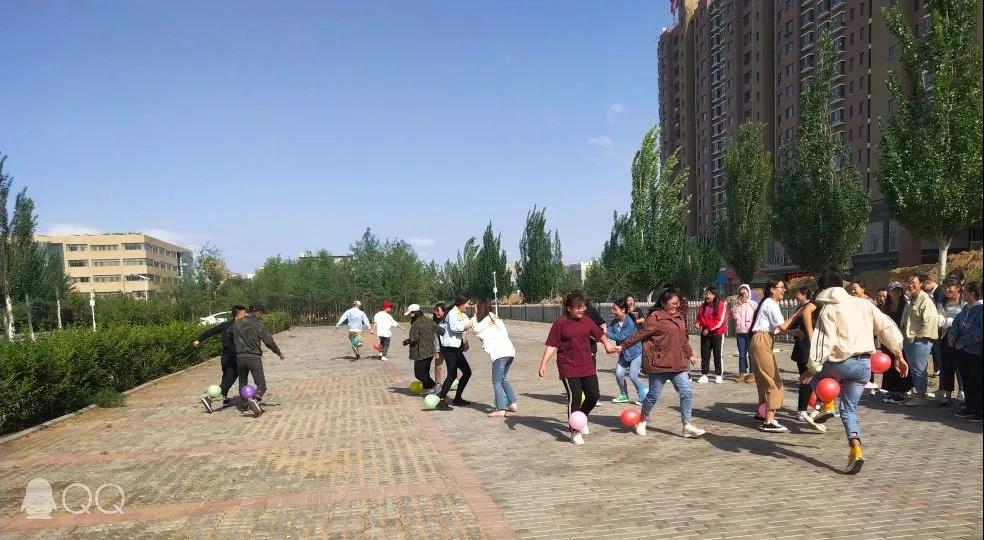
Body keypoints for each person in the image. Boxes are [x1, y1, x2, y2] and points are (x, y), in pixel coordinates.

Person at [804, 269, 908, 474]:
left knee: (813, 375)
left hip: (839, 364)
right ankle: (856, 449)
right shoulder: (864, 304)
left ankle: (827, 403)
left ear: (821, 290)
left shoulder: (828, 309)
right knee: (849, 410)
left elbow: (823, 343)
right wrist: (898, 354)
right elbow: (886, 327)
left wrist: (811, 369)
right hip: (864, 366)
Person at [618, 288, 706, 439]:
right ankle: (642, 421)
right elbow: (640, 335)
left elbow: (683, 339)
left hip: (678, 363)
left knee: (686, 392)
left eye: (678, 303)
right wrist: (623, 346)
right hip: (659, 364)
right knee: (653, 395)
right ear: (664, 302)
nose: (676, 306)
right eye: (673, 303)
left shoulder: (679, 317)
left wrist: (690, 354)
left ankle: (687, 425)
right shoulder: (655, 318)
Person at [538, 290, 618, 445]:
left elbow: (599, 334)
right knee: (575, 396)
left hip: (586, 364)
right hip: (568, 366)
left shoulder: (587, 320)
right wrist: (543, 364)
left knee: (593, 396)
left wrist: (608, 344)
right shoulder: (560, 324)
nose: (582, 310)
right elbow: (552, 345)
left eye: (584, 307)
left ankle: (581, 418)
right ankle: (574, 431)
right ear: (569, 308)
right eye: (579, 307)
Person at [748, 278, 798, 432]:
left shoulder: (767, 303)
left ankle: (761, 414)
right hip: (762, 340)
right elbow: (782, 326)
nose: (784, 290)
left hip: (761, 339)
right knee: (774, 381)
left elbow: (774, 330)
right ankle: (769, 421)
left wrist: (792, 331)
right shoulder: (771, 303)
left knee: (764, 380)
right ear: (772, 289)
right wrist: (798, 313)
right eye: (781, 287)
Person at [777, 288, 827, 432]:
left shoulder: (825, 309)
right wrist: (796, 331)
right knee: (806, 380)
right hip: (805, 348)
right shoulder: (804, 309)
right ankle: (802, 410)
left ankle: (820, 407)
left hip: (820, 349)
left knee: (820, 379)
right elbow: (788, 326)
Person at [233, 304, 286, 417]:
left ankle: (244, 406)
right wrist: (278, 352)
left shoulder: (237, 323)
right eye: (262, 313)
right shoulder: (258, 324)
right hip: (253, 358)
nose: (262, 315)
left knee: (242, 382)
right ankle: (255, 399)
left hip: (240, 358)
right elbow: (268, 341)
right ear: (258, 312)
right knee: (261, 384)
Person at [195, 305, 247, 413]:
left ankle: (225, 399)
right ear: (238, 315)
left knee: (226, 377)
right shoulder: (239, 326)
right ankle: (209, 398)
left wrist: (199, 340)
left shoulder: (225, 325)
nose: (245, 315)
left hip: (225, 357)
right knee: (229, 380)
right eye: (244, 313)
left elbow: (212, 331)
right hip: (234, 357)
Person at [471, 300, 518, 417]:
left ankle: (500, 409)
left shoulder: (485, 321)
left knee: (496, 381)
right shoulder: (496, 319)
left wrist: (474, 315)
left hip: (499, 354)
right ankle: (512, 403)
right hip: (510, 352)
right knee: (502, 378)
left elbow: (474, 329)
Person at [901, 273, 940, 406]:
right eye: (908, 282)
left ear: (921, 284)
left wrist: (920, 335)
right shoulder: (911, 298)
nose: (910, 285)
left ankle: (921, 396)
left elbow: (930, 319)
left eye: (914, 283)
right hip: (909, 339)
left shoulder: (925, 299)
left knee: (919, 368)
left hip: (920, 340)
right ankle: (919, 393)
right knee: (914, 367)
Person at [949, 282, 982, 421]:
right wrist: (952, 335)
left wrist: (963, 342)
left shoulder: (980, 309)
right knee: (967, 380)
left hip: (976, 352)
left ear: (972, 293)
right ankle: (970, 406)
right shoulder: (966, 308)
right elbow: (957, 322)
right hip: (963, 352)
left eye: (965, 292)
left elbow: (979, 332)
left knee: (976, 381)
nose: (962, 294)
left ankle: (978, 409)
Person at [436, 295, 474, 410]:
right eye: (467, 303)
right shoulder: (452, 313)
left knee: (467, 372)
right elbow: (454, 328)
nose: (468, 305)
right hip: (448, 348)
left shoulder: (461, 313)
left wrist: (473, 320)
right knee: (452, 375)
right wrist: (466, 327)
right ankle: (441, 401)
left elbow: (470, 323)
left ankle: (457, 398)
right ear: (462, 303)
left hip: (456, 348)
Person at [606, 299, 647, 404]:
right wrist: (604, 332)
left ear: (623, 310)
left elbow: (621, 336)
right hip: (624, 354)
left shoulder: (630, 322)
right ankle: (624, 395)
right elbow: (609, 330)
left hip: (635, 353)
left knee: (633, 376)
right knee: (619, 374)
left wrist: (606, 333)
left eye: (615, 309)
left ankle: (643, 396)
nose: (613, 311)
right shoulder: (615, 322)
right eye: (612, 309)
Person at [880, 282, 913, 403]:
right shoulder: (885, 306)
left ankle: (902, 389)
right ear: (889, 292)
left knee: (901, 361)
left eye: (899, 290)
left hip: (901, 337)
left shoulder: (906, 304)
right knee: (889, 363)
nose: (897, 292)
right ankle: (891, 389)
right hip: (888, 338)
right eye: (894, 290)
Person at [936, 277, 966, 406]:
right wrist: (941, 320)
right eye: (944, 287)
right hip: (945, 336)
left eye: (949, 287)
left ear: (958, 288)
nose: (946, 290)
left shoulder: (965, 302)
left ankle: (962, 391)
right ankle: (947, 395)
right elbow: (939, 316)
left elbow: (966, 319)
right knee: (947, 366)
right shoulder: (942, 301)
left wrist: (951, 322)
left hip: (962, 338)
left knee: (961, 366)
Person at [403, 303, 445, 393]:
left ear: (414, 313)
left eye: (410, 314)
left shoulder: (416, 324)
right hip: (430, 351)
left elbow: (413, 338)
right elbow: (442, 331)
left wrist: (406, 342)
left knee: (419, 374)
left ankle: (435, 387)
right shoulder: (429, 321)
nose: (410, 316)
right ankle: (427, 389)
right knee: (425, 372)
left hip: (420, 352)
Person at [695, 286, 728, 384]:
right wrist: (698, 324)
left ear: (714, 295)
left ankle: (718, 375)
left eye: (709, 293)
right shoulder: (703, 306)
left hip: (717, 333)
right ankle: (704, 374)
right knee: (704, 354)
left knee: (717, 354)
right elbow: (699, 318)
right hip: (705, 333)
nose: (706, 296)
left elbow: (720, 320)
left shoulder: (721, 305)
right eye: (706, 294)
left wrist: (708, 329)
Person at [731, 284, 758, 383]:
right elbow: (733, 316)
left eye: (745, 293)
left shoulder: (753, 304)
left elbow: (757, 316)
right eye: (741, 293)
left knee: (751, 354)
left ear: (749, 293)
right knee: (742, 355)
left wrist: (748, 301)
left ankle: (752, 373)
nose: (743, 295)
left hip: (750, 332)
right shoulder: (737, 305)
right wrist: (737, 306)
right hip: (740, 332)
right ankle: (742, 373)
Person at [923, 275, 945, 377]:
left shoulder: (940, 291)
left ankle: (939, 369)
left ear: (928, 282)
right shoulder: (934, 292)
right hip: (935, 325)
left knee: (937, 349)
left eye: (924, 286)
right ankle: (937, 368)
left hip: (940, 325)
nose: (924, 290)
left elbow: (939, 309)